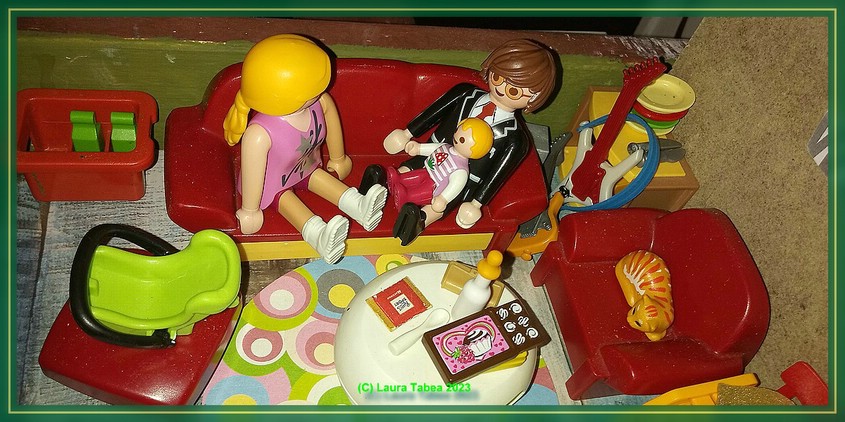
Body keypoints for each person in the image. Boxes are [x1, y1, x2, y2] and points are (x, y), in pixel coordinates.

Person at [365, 38, 558, 245]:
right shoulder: (466, 93)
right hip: (434, 153)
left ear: (534, 97)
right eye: (497, 77)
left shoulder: (515, 138)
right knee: (408, 169)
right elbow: (434, 112)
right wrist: (407, 133)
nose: (502, 88)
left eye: (513, 90)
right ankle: (379, 187)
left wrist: (476, 203)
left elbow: (498, 175)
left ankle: (419, 220)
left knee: (443, 200)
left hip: (463, 177)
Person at [223, 34, 387, 264]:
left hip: (305, 167)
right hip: (273, 184)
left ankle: (358, 205)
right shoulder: (259, 134)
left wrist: (338, 158)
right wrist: (250, 210)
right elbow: (254, 172)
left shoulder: (318, 102)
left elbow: (332, 124)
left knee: (318, 177)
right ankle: (318, 235)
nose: (319, 92)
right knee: (286, 198)